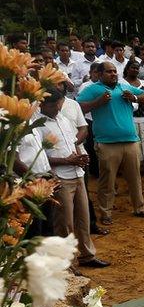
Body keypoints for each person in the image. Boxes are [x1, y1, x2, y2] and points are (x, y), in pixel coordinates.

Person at [36, 90, 108, 268]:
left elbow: (73, 143)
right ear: (42, 105)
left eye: (59, 103)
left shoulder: (63, 119)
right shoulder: (38, 125)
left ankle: (87, 255)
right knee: (64, 223)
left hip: (77, 173)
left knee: (83, 218)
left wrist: (80, 157)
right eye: (54, 105)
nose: (58, 107)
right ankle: (67, 263)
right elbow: (40, 156)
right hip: (59, 177)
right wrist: (66, 161)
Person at [76, 62, 144, 224]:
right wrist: (98, 102)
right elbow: (78, 107)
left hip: (131, 141)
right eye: (109, 72)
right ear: (100, 74)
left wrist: (135, 97)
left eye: (115, 71)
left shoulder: (123, 87)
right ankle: (106, 213)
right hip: (107, 143)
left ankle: (140, 208)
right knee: (107, 181)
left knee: (135, 178)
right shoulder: (92, 89)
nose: (113, 74)